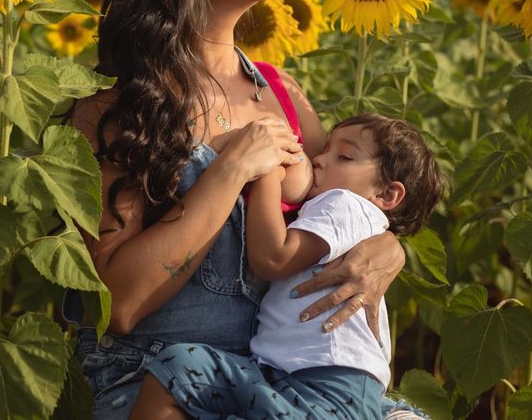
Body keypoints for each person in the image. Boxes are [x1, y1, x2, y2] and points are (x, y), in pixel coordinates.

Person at [67, 0, 408, 419]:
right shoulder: (112, 109)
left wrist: (389, 250)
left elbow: (351, 207)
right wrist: (229, 172)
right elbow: (119, 304)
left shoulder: (283, 92)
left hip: (281, 385)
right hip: (155, 383)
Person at [128, 114, 445, 419]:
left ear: (387, 194)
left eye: (344, 157)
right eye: (323, 151)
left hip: (328, 387)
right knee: (178, 369)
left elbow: (272, 258)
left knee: (177, 373)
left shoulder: (347, 204)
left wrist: (267, 173)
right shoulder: (347, 215)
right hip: (287, 376)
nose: (318, 160)